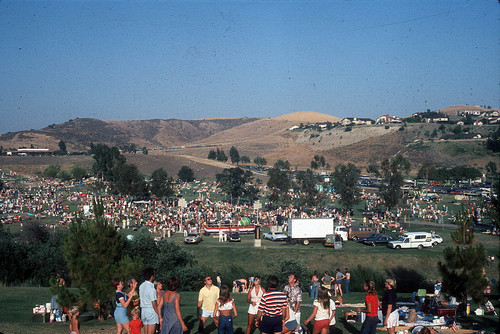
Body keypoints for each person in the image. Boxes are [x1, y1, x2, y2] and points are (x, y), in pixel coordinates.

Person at [140, 267, 160, 334]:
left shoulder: (141, 286)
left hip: (143, 310)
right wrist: (159, 314)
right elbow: (153, 303)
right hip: (150, 310)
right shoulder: (151, 288)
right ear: (152, 276)